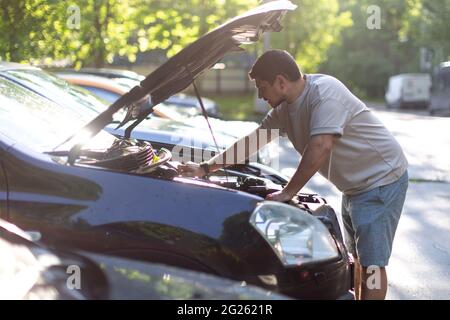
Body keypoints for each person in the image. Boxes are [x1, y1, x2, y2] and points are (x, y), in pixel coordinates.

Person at [178, 49, 408, 300]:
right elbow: (253, 141)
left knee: (372, 265)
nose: (259, 94)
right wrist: (204, 168)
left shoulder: (324, 93)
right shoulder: (285, 110)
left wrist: (289, 191)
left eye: (261, 86)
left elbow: (320, 146)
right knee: (359, 261)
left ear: (280, 81)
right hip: (354, 187)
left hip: (381, 180)